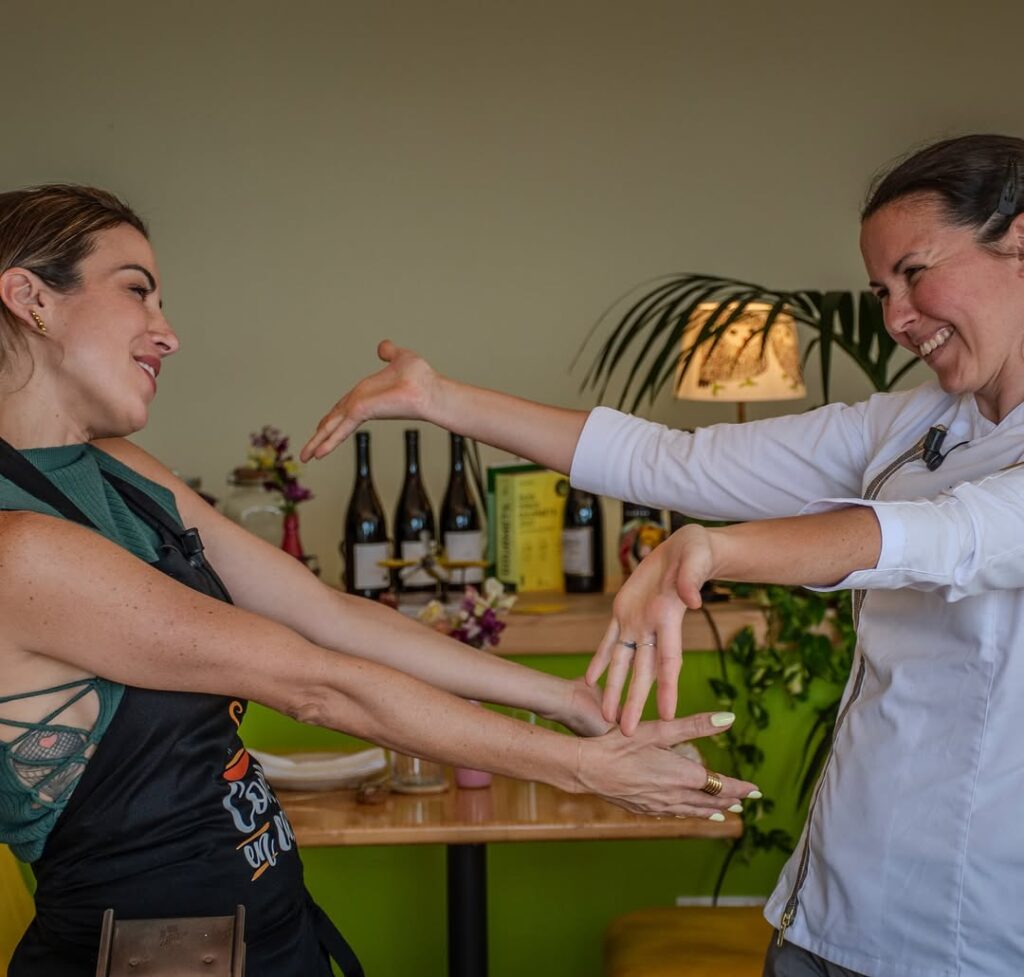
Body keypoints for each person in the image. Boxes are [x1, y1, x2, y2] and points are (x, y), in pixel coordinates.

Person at [303, 133, 1024, 977]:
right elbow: (672, 461)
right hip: (827, 911)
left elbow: (943, 535)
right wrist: (442, 399)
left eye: (914, 272)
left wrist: (713, 550)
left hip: (965, 937)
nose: (896, 318)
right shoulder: (910, 425)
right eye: (880, 290)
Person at [0, 185, 758, 977]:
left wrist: (568, 700)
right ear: (30, 297)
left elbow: (328, 615)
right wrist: (586, 769)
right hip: (150, 960)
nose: (168, 332)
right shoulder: (17, 548)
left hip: (269, 927)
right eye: (137, 291)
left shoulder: (117, 469)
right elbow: (316, 683)